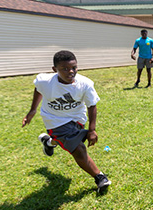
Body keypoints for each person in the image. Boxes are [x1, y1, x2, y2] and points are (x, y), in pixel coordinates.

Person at [22, 50, 111, 195]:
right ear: (54, 69)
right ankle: (100, 177)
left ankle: (48, 142)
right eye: (65, 69)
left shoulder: (85, 84)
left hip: (77, 119)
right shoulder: (45, 81)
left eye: (74, 67)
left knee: (64, 141)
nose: (71, 72)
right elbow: (39, 89)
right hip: (54, 120)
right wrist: (32, 110)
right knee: (78, 148)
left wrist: (92, 129)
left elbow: (92, 105)